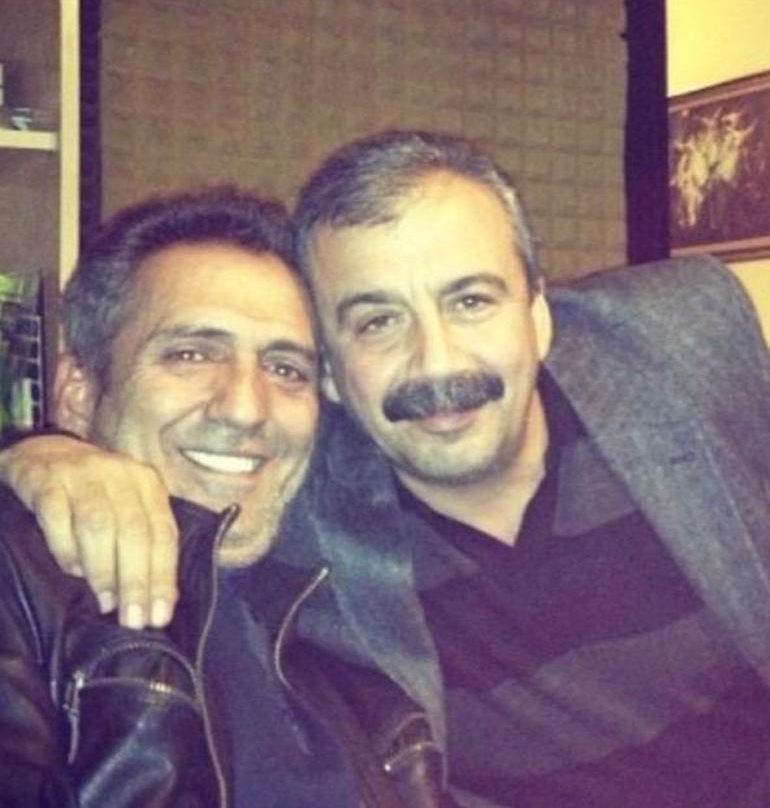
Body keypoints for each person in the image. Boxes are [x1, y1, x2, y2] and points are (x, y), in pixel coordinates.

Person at [4, 130, 770, 807]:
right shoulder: (299, 498)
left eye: (471, 300)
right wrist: (34, 455)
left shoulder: (679, 336)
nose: (436, 363)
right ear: (335, 375)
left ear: (539, 315)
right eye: (377, 321)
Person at [0, 184, 450, 808]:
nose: (245, 408)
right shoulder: (22, 585)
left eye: (285, 368)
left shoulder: (345, 630)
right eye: (191, 354)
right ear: (78, 393)